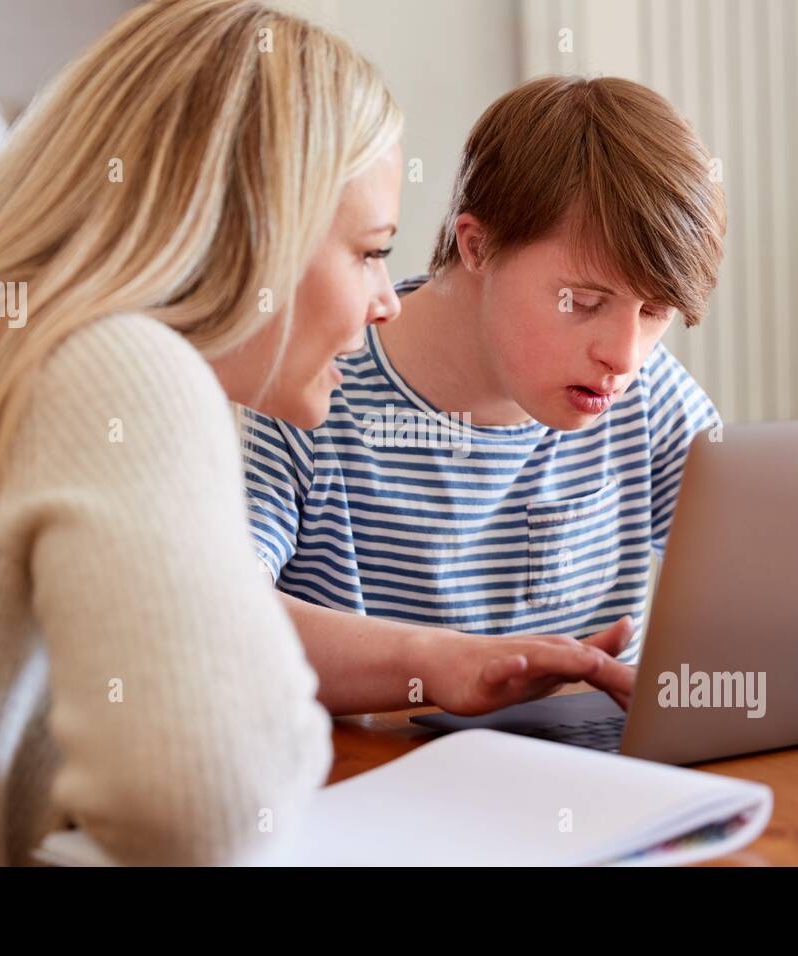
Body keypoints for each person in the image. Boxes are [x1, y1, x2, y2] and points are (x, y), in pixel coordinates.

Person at [0, 0, 402, 865]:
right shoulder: (121, 370)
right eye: (370, 251)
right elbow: (211, 802)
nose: (388, 298)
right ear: (255, 224)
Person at [241, 75, 726, 717]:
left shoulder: (647, 393)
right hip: (379, 788)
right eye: (583, 302)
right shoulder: (310, 388)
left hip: (598, 785)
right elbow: (220, 613)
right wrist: (440, 664)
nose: (625, 355)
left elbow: (764, 579)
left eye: (655, 313)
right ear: (478, 246)